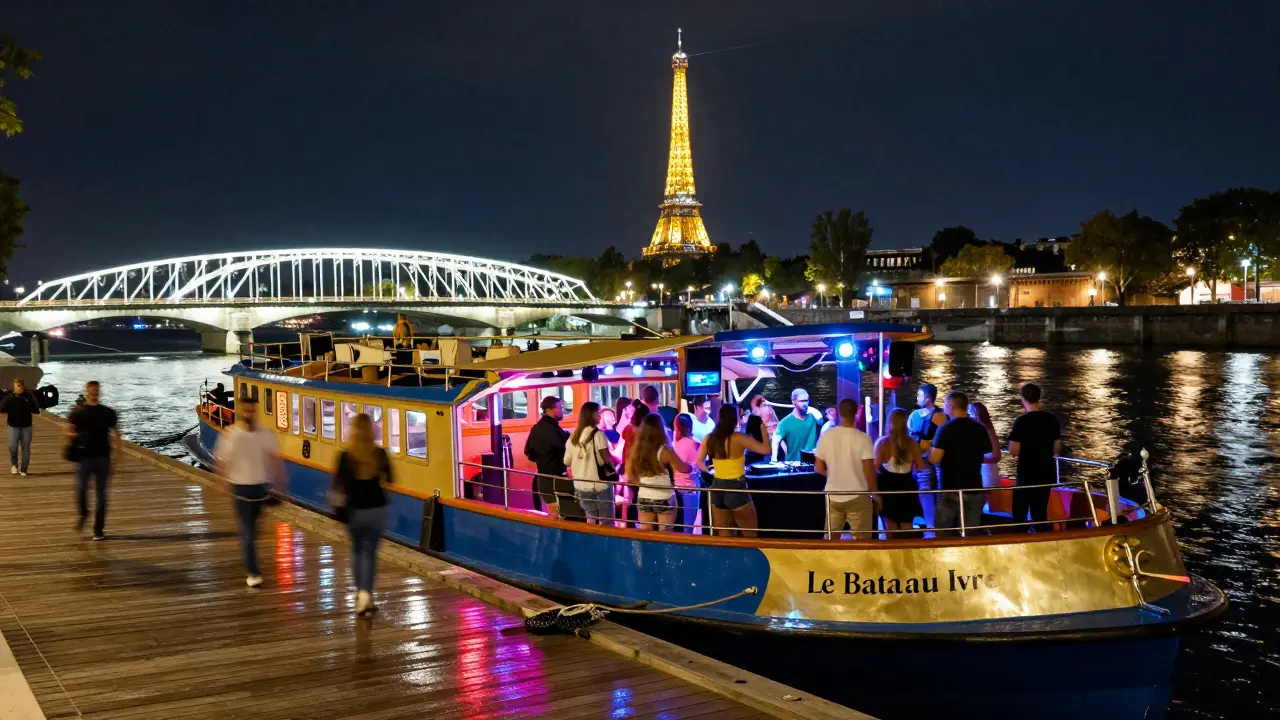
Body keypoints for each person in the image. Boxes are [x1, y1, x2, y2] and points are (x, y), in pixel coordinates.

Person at [214, 395, 283, 586]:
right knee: (248, 530)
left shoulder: (265, 434)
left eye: (252, 410)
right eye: (246, 410)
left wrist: (280, 481)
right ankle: (253, 572)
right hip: (240, 487)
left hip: (261, 488)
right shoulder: (232, 434)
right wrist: (221, 480)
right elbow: (221, 460)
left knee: (254, 530)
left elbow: (274, 459)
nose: (249, 413)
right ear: (241, 411)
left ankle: (252, 565)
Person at [332, 413, 392, 615]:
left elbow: (338, 485)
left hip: (355, 511)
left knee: (357, 552)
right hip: (377, 510)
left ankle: (362, 593)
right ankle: (367, 594)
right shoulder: (380, 454)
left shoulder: (346, 456)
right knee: (370, 554)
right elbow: (391, 478)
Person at [695, 405, 771, 537]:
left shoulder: (710, 438)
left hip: (717, 488)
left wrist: (710, 472)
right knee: (750, 533)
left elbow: (698, 462)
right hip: (736, 488)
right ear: (734, 419)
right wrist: (763, 430)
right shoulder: (739, 438)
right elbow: (766, 450)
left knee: (724, 533)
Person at [928, 392, 993, 536]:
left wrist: (930, 450)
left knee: (942, 533)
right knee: (971, 535)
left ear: (951, 406)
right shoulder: (979, 428)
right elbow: (987, 453)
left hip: (951, 488)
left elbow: (935, 459)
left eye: (945, 404)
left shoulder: (945, 429)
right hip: (974, 488)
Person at [814, 398, 878, 539]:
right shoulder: (863, 438)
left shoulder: (826, 436)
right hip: (858, 495)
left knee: (831, 539)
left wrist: (834, 475)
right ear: (856, 412)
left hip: (833, 495)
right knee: (862, 541)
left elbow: (818, 468)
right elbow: (869, 471)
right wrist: (876, 494)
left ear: (839, 413)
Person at [67, 381, 120, 541]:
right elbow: (68, 430)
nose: (94, 393)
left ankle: (99, 529)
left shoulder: (108, 412)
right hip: (84, 458)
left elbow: (117, 433)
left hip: (103, 457)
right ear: (87, 391)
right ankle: (84, 513)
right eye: (91, 391)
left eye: (96, 391)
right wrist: (75, 436)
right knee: (81, 489)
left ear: (99, 392)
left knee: (102, 495)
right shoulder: (78, 413)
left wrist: (117, 458)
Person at [1008, 383, 1062, 532]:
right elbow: (1056, 448)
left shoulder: (1021, 421)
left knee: (1019, 515)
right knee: (1040, 514)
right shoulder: (1051, 420)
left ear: (1023, 399)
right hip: (1045, 474)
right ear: (1039, 398)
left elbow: (1014, 450)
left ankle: (1020, 541)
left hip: (1026, 474)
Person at [627, 420, 690, 531]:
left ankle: (643, 549)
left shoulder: (637, 451)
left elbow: (630, 477)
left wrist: (645, 483)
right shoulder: (664, 451)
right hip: (664, 496)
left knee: (645, 531)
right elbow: (684, 469)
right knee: (665, 533)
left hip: (644, 495)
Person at [523, 395, 576, 521]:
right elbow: (567, 450)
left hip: (543, 479)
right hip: (557, 480)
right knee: (563, 517)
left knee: (553, 515)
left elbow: (528, 452)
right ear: (550, 410)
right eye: (560, 408)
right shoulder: (554, 431)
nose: (562, 411)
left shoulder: (536, 428)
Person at [874, 408, 925, 537]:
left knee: (890, 526)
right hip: (907, 485)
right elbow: (921, 466)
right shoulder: (912, 443)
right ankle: (907, 553)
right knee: (907, 523)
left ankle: (892, 554)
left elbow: (876, 466)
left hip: (888, 486)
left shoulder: (883, 443)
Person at [564, 401, 617, 526]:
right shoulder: (599, 435)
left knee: (590, 519)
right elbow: (607, 459)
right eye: (597, 413)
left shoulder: (573, 437)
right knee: (607, 521)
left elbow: (566, 461)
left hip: (581, 485)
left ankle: (592, 543)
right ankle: (606, 544)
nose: (600, 416)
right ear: (590, 415)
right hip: (600, 485)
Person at [908, 383, 947, 529]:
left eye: (919, 395)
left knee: (938, 490)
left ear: (928, 398)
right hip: (922, 458)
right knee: (925, 491)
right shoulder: (914, 415)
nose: (917, 398)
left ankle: (938, 523)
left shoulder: (940, 416)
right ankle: (931, 523)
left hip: (936, 459)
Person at [671, 413, 704, 533]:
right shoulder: (696, 443)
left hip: (675, 487)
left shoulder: (674, 445)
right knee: (688, 527)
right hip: (691, 488)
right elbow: (700, 465)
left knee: (676, 525)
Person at [1, 378, 40, 476]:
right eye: (16, 385)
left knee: (26, 448)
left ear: (23, 385)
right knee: (12, 447)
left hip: (26, 426)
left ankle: (24, 469)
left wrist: (26, 398)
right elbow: (1, 408)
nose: (18, 387)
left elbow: (36, 409)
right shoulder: (9, 397)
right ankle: (14, 465)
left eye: (19, 385)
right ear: (13, 386)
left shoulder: (29, 395)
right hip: (13, 426)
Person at [774, 388, 820, 462]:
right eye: (801, 401)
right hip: (793, 464)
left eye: (806, 400)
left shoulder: (814, 417)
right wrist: (774, 459)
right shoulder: (785, 422)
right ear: (793, 401)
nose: (805, 404)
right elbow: (775, 440)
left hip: (813, 463)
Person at [969, 402, 1003, 489]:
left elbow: (997, 456)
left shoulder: (987, 431)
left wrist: (973, 459)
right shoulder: (983, 430)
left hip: (986, 472)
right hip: (984, 471)